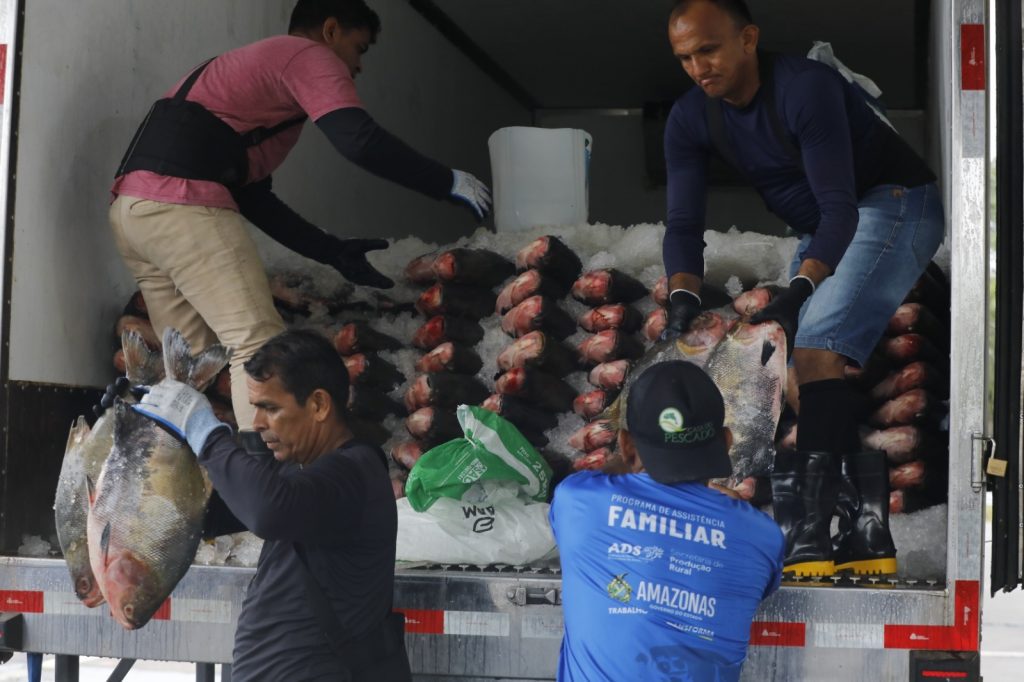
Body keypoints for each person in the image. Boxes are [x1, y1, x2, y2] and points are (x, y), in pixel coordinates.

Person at [109, 0, 491, 450]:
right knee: (258, 346)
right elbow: (358, 140)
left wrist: (331, 251)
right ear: (330, 30)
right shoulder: (306, 55)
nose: (358, 66)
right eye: (359, 48)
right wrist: (445, 181)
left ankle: (177, 479)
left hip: (134, 213)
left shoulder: (251, 78)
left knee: (190, 364)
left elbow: (255, 198)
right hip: (183, 206)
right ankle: (261, 478)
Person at [659, 0, 944, 577]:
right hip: (824, 225)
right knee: (793, 376)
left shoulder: (804, 88)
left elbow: (840, 209)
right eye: (684, 58)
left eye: (708, 50)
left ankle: (808, 535)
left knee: (815, 347)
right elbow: (683, 225)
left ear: (747, 39)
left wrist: (798, 292)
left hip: (891, 203)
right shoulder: (690, 117)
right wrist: (681, 298)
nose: (697, 68)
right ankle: (867, 532)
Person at [131, 329, 409, 681]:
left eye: (271, 408)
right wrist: (144, 438)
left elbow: (268, 509)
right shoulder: (297, 470)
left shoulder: (356, 473)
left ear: (319, 405)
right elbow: (204, 514)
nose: (258, 423)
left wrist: (205, 431)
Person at [550, 360, 784, 682]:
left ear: (626, 445)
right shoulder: (763, 536)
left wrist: (629, 461)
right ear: (727, 441)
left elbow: (604, 476)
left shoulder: (579, 502)